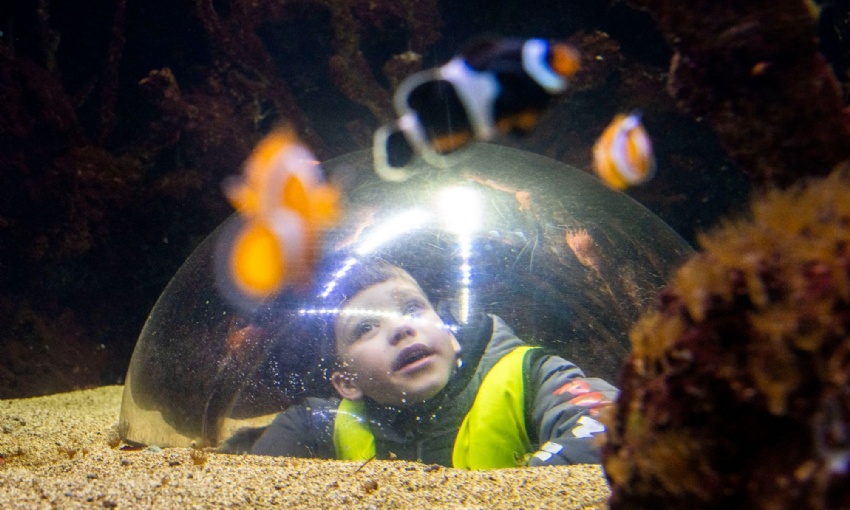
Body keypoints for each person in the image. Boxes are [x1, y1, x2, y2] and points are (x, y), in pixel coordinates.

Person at [226, 260, 618, 468]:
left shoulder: (530, 373)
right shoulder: (322, 423)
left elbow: (614, 424)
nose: (401, 330)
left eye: (412, 308)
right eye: (365, 327)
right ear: (347, 382)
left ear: (448, 332)